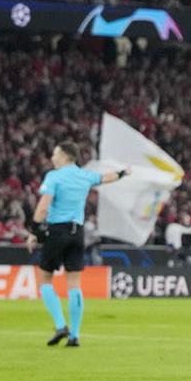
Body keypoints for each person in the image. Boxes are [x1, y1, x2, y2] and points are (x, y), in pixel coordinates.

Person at [27, 142, 129, 347]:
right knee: (74, 283)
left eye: (55, 154)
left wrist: (35, 231)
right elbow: (105, 178)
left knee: (45, 279)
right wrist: (123, 173)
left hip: (57, 231)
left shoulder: (54, 177)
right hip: (77, 232)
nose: (52, 158)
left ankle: (60, 325)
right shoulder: (84, 175)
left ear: (65, 156)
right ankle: (74, 335)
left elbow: (43, 207)